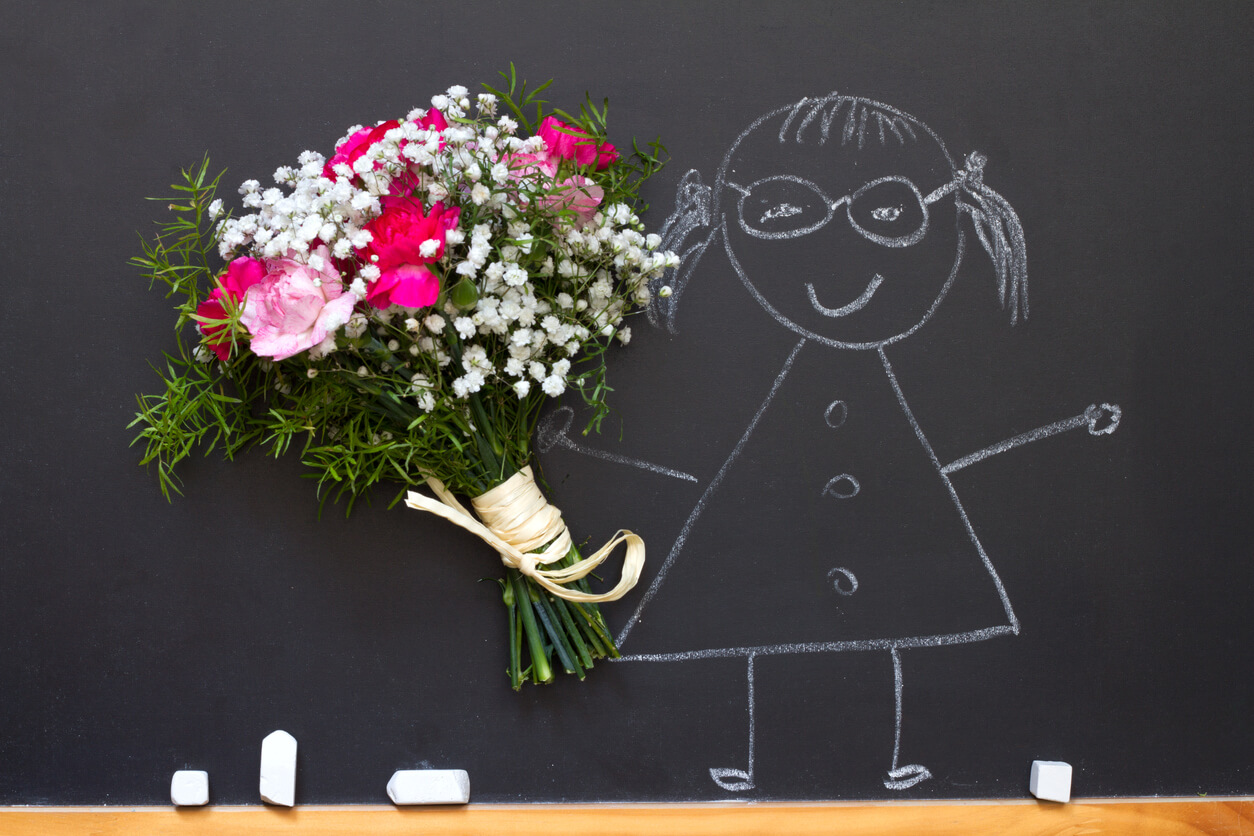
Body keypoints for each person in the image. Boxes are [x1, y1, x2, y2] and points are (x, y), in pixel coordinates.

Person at [544, 92, 1118, 792]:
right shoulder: (742, 383)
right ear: (728, 215)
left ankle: (890, 757)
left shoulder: (910, 388)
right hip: (775, 525)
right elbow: (697, 470)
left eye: (888, 213)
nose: (837, 245)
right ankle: (761, 761)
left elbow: (959, 457)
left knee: (881, 624)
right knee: (766, 621)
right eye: (785, 211)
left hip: (889, 526)